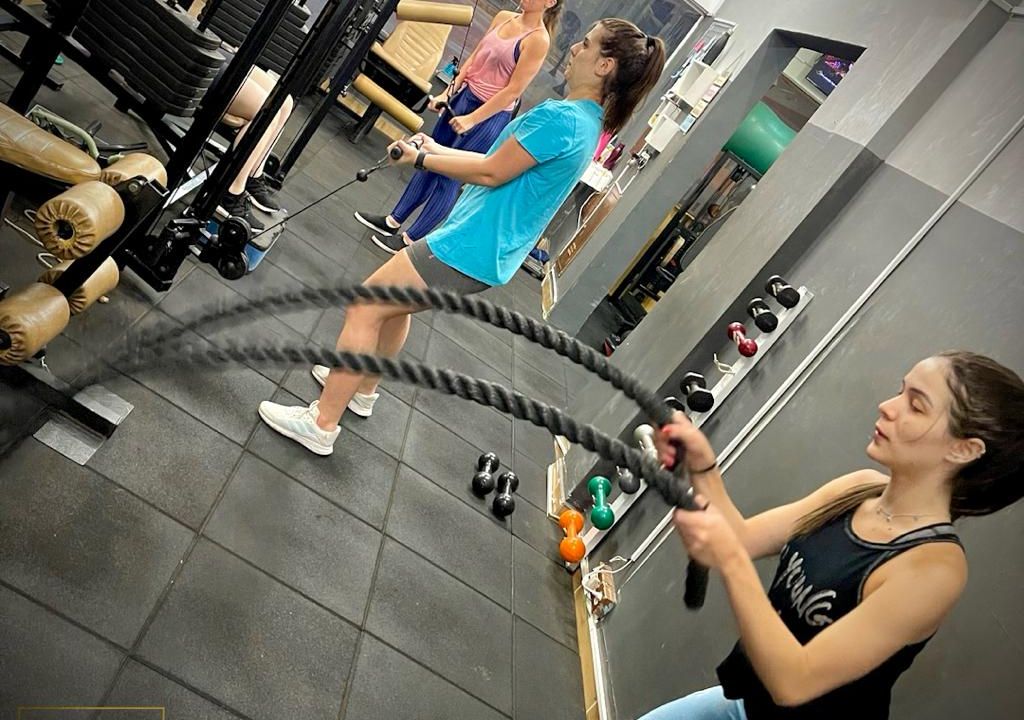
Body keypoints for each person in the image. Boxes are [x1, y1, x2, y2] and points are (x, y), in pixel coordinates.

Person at [256, 18, 667, 454]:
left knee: (367, 305)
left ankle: (321, 424)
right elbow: (498, 164)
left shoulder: (562, 119)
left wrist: (420, 161)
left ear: (604, 65)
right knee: (393, 308)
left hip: (470, 246)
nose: (574, 50)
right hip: (483, 248)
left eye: (586, 45)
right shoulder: (586, 122)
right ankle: (361, 389)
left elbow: (490, 173)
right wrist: (436, 150)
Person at [640, 351, 1024, 719]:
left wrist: (730, 559)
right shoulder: (859, 489)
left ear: (963, 449)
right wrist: (702, 464)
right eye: (900, 391)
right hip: (745, 704)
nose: (888, 407)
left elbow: (795, 680)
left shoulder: (935, 569)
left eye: (916, 406)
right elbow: (741, 539)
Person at [354, 0, 563, 254]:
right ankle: (392, 221)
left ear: (550, 2)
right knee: (427, 159)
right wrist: (448, 93)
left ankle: (409, 241)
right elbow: (474, 58)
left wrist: (472, 119)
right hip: (464, 98)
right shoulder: (503, 17)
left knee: (449, 177)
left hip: (489, 116)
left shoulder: (538, 40)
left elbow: (513, 91)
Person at [211, 46, 294, 233]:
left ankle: (252, 174)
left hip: (218, 49)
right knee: (268, 113)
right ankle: (230, 191)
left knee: (285, 101)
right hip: (198, 54)